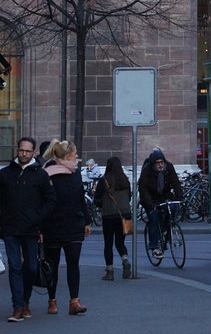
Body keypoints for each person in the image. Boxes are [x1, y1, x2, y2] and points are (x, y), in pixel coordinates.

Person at [0, 137, 55, 322]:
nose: (23, 154)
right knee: (14, 266)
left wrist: (38, 217)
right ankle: (17, 306)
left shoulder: (40, 175)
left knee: (31, 266)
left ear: (33, 153)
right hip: (9, 228)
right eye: (21, 150)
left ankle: (25, 301)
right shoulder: (6, 173)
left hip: (31, 228)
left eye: (27, 151)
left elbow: (50, 200)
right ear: (18, 150)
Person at [41, 140, 90, 316]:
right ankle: (52, 301)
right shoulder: (46, 174)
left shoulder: (75, 173)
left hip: (74, 225)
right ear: (67, 156)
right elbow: (42, 202)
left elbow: (80, 197)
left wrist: (87, 220)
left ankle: (74, 302)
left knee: (73, 265)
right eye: (75, 154)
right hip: (52, 226)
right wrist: (39, 228)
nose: (77, 156)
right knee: (52, 266)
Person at [138, 148, 183, 260]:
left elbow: (175, 183)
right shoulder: (147, 170)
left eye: (162, 162)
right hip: (151, 198)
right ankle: (154, 246)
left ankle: (165, 230)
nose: (160, 165)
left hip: (164, 196)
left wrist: (180, 198)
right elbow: (143, 188)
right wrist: (149, 204)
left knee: (172, 208)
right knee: (153, 218)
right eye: (158, 163)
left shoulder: (169, 167)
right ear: (153, 164)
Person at [93, 156, 133, 278]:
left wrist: (103, 205)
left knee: (108, 243)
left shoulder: (104, 180)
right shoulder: (125, 180)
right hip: (124, 215)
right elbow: (129, 197)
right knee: (120, 242)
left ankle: (109, 271)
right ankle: (125, 259)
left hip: (109, 215)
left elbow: (97, 199)